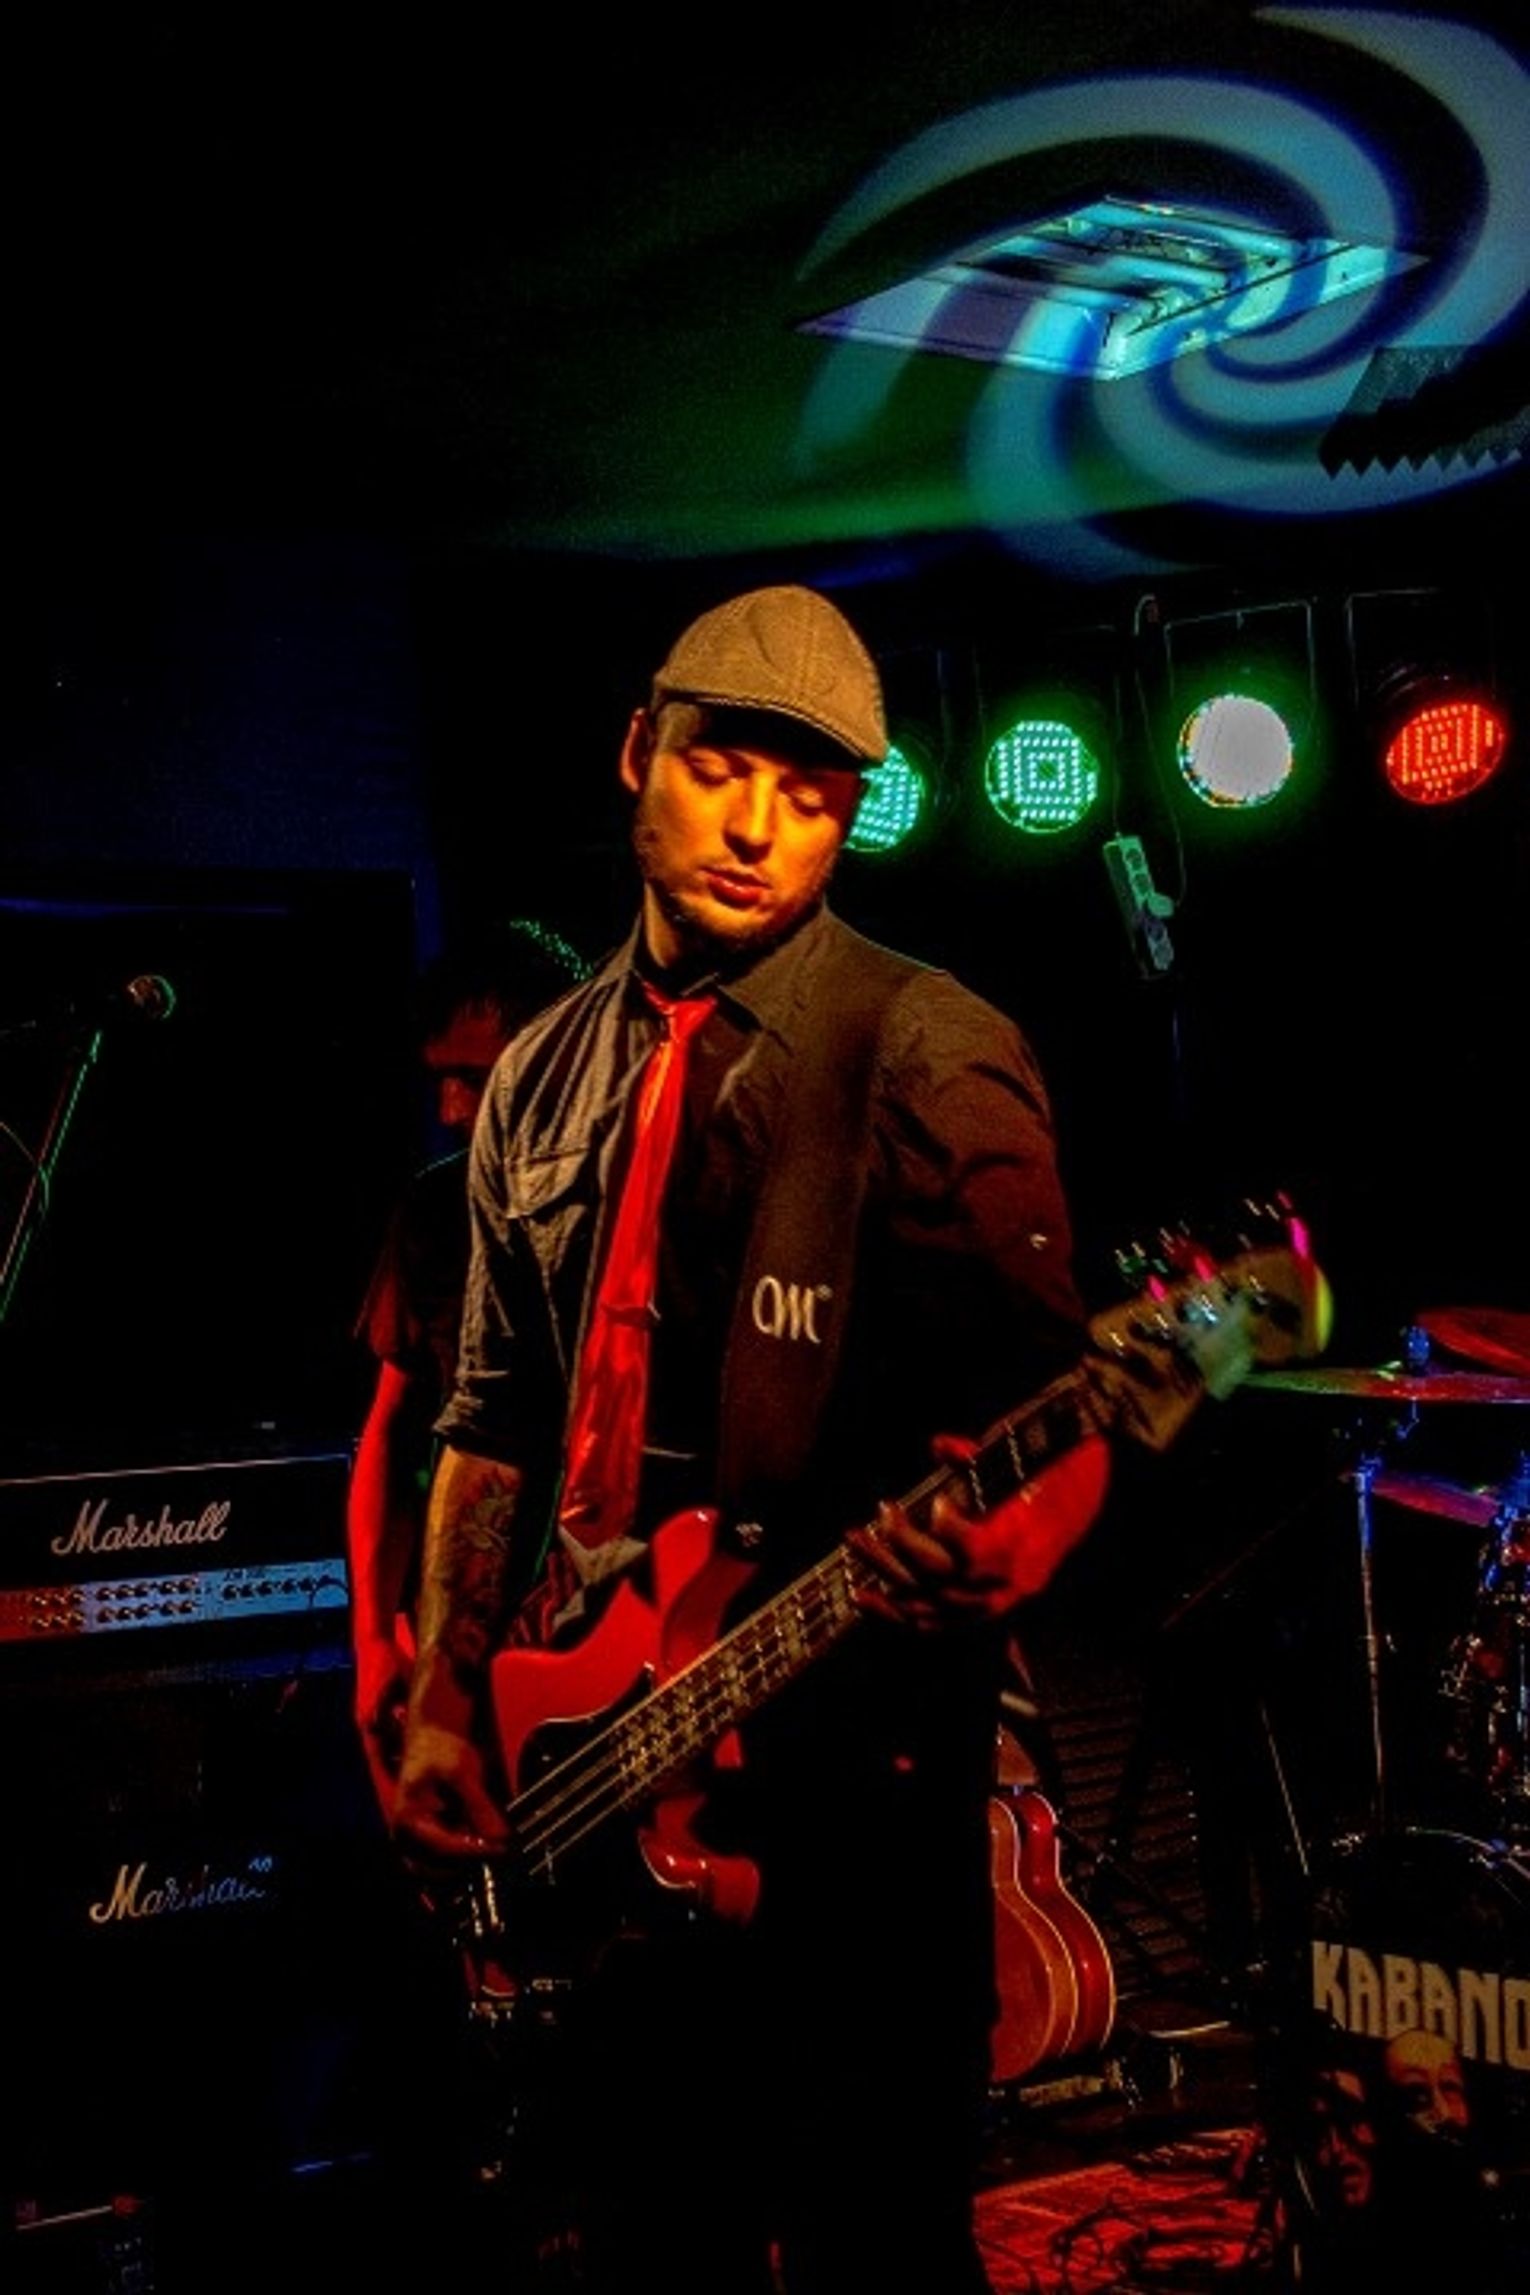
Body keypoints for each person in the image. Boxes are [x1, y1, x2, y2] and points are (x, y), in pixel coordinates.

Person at [391, 582, 1111, 2293]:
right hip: (591, 1753)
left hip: (852, 1787)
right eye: (722, 771)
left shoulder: (927, 1049)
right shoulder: (538, 1076)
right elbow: (491, 1415)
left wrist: (1014, 1541)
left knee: (878, 2250)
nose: (757, 828)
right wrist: (442, 1696)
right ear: (639, 750)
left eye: (811, 795)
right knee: (657, 2241)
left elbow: (1065, 1404)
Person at [348, 916, 589, 1816]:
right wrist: (375, 1640)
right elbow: (390, 1436)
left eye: (477, 1079)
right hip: (461, 1663)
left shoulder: (636, 1203)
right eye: (440, 1079)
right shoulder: (433, 1211)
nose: (452, 1111)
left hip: (596, 1651)